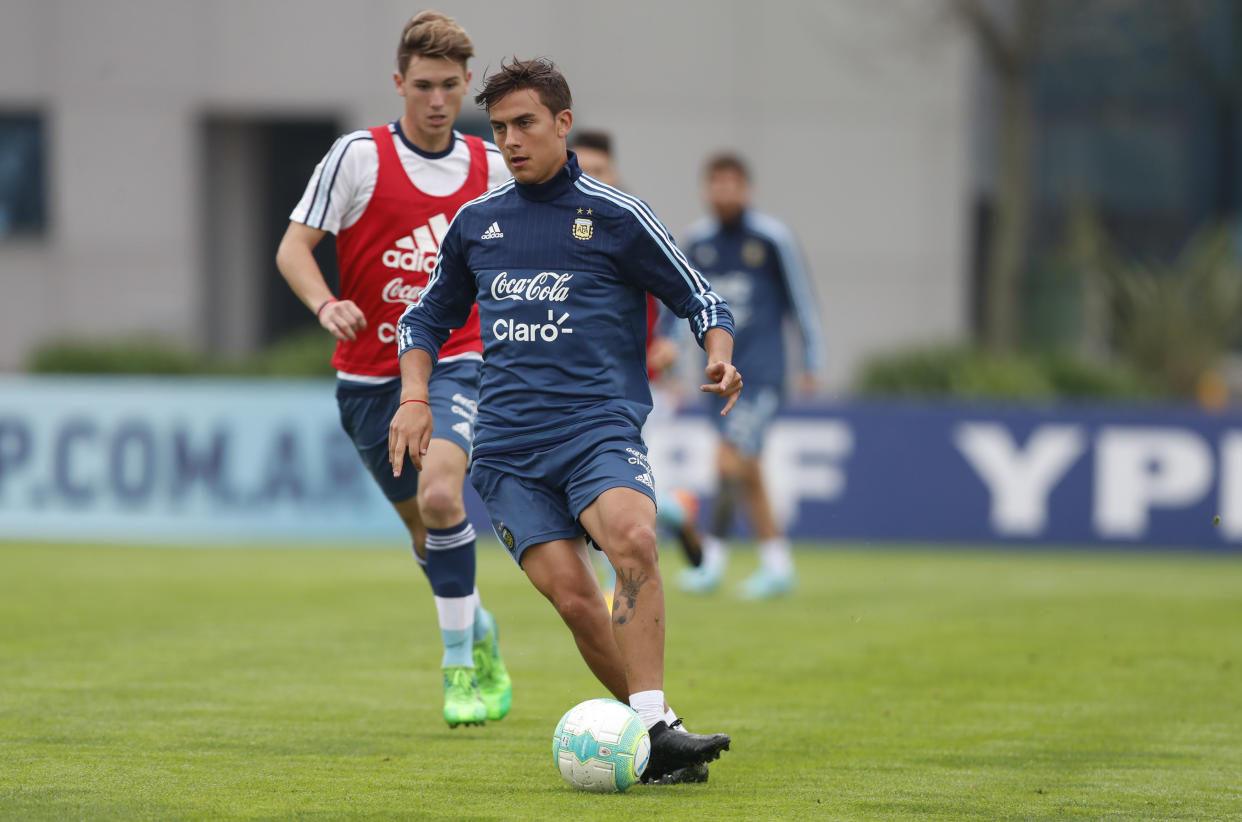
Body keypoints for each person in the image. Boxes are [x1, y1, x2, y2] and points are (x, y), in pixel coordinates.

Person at [390, 58, 738, 784]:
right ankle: (659, 737)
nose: (511, 141)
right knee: (578, 601)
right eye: (501, 128)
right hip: (509, 455)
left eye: (525, 124)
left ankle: (647, 723)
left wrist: (719, 354)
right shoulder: (477, 224)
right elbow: (424, 319)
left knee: (635, 537)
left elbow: (701, 298)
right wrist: (414, 395)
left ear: (562, 124)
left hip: (596, 431)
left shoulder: (615, 216)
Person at [274, 11, 512, 728]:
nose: (436, 100)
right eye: (422, 86)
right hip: (367, 378)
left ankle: (459, 672)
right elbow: (293, 248)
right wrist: (325, 305)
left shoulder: (492, 168)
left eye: (449, 86)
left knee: (444, 500)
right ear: (398, 83)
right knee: (423, 531)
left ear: (467, 84)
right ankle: (479, 628)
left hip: (457, 359)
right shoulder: (357, 157)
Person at [677, 152, 824, 600]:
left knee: (730, 461)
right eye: (715, 184)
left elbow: (802, 300)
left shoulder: (772, 238)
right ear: (705, 189)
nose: (723, 192)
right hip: (715, 374)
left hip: (761, 375)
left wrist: (812, 361)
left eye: (731, 184)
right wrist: (662, 354)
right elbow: (677, 300)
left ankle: (711, 561)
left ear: (747, 190)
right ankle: (778, 564)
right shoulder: (696, 241)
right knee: (748, 470)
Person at [567, 130, 705, 600]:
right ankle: (678, 511)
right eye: (580, 167)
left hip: (636, 385)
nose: (588, 177)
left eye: (599, 170)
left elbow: (678, 290)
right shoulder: (557, 228)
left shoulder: (630, 226)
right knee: (613, 492)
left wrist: (668, 345)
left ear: (616, 174)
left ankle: (611, 587)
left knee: (605, 487)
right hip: (576, 384)